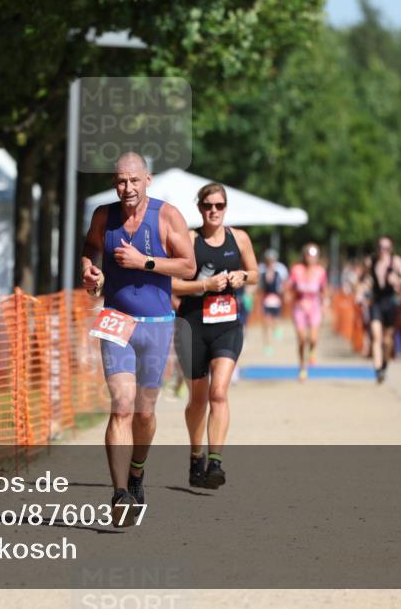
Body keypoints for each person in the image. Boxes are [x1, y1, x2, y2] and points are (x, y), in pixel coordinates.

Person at [81, 152, 196, 523]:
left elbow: (189, 266)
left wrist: (144, 262)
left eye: (133, 180)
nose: (126, 188)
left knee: (145, 413)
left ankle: (137, 470)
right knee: (122, 405)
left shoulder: (167, 216)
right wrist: (90, 270)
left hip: (157, 324)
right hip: (116, 321)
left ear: (148, 179)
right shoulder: (104, 215)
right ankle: (118, 495)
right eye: (120, 181)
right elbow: (90, 247)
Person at [172, 183, 257, 489]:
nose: (214, 211)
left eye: (219, 206)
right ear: (199, 208)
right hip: (192, 326)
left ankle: (215, 462)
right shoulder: (189, 241)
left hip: (227, 325)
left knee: (218, 393)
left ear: (225, 208)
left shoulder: (240, 238)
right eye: (208, 206)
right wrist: (203, 286)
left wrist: (242, 276)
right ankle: (196, 456)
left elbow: (255, 273)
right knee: (198, 399)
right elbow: (171, 285)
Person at [366, 235, 401, 384]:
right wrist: (362, 291)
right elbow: (366, 280)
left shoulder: (396, 262)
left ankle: (385, 363)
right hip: (376, 302)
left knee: (387, 341)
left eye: (386, 248)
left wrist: (398, 280)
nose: (382, 251)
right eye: (380, 247)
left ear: (390, 249)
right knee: (376, 336)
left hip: (390, 303)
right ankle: (378, 369)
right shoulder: (371, 262)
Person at [286, 243, 328, 381]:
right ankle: (302, 367)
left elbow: (324, 290)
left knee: (313, 338)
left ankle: (312, 351)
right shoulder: (296, 269)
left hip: (314, 307)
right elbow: (289, 285)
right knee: (302, 339)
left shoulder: (320, 271)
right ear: (304, 256)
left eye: (314, 255)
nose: (311, 258)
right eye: (309, 255)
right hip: (299, 307)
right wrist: (287, 292)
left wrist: (326, 303)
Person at [258, 248, 287, 354]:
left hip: (276, 299)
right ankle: (267, 345)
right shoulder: (261, 269)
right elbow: (258, 285)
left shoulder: (280, 269)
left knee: (275, 320)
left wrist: (284, 292)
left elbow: (284, 283)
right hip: (266, 299)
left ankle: (277, 329)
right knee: (266, 323)